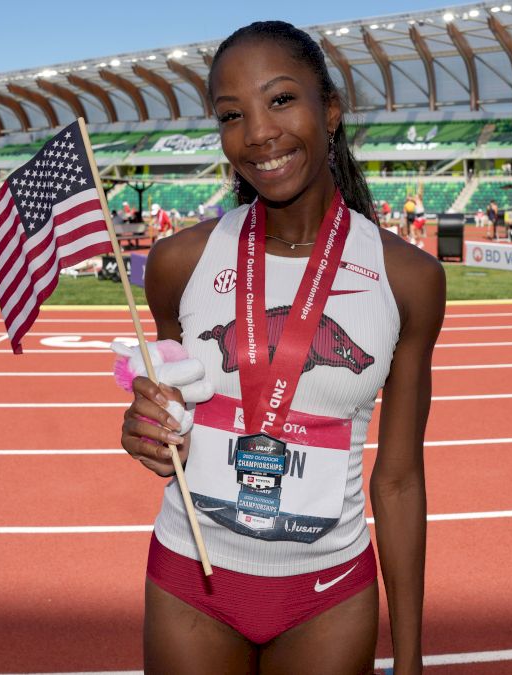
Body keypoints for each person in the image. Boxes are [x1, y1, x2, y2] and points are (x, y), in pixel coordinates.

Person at [119, 20, 443, 675]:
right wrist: (149, 426)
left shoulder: (407, 278)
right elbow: (171, 404)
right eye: (232, 114)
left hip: (328, 594)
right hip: (193, 578)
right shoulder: (179, 262)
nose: (258, 132)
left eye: (281, 99)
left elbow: (401, 478)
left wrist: (408, 658)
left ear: (330, 109)